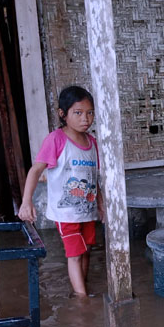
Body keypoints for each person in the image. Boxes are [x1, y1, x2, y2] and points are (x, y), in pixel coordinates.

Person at [18, 86, 103, 297]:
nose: (86, 118)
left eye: (89, 112)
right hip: (66, 213)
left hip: (88, 209)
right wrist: (26, 201)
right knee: (74, 254)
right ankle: (82, 300)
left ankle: (81, 287)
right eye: (78, 113)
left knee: (86, 250)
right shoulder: (56, 139)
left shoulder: (92, 143)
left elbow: (95, 179)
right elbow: (36, 170)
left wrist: (101, 204)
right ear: (62, 114)